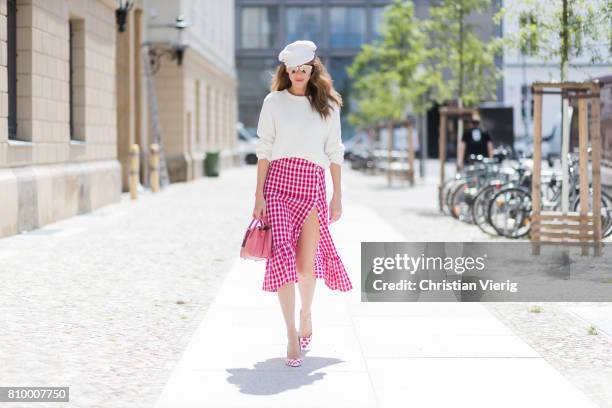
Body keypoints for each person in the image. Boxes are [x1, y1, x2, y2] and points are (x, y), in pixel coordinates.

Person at [252, 40, 353, 368]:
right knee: (282, 258)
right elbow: (264, 149)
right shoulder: (273, 102)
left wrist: (336, 194)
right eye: (292, 70)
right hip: (278, 185)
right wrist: (258, 196)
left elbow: (335, 151)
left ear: (313, 71)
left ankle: (306, 313)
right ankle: (291, 334)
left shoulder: (328, 106)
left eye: (304, 70)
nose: (298, 74)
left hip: (311, 185)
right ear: (286, 71)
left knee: (306, 267)